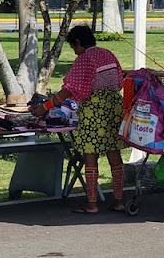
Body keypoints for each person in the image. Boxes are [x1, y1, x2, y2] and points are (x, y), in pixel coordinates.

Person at [32, 24, 125, 214]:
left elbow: (68, 90)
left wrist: (44, 107)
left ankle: (92, 204)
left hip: (94, 110)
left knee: (90, 155)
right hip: (115, 106)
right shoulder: (108, 54)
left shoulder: (85, 59)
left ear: (78, 42)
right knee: (114, 155)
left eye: (74, 47)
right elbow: (120, 80)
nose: (74, 52)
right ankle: (119, 201)